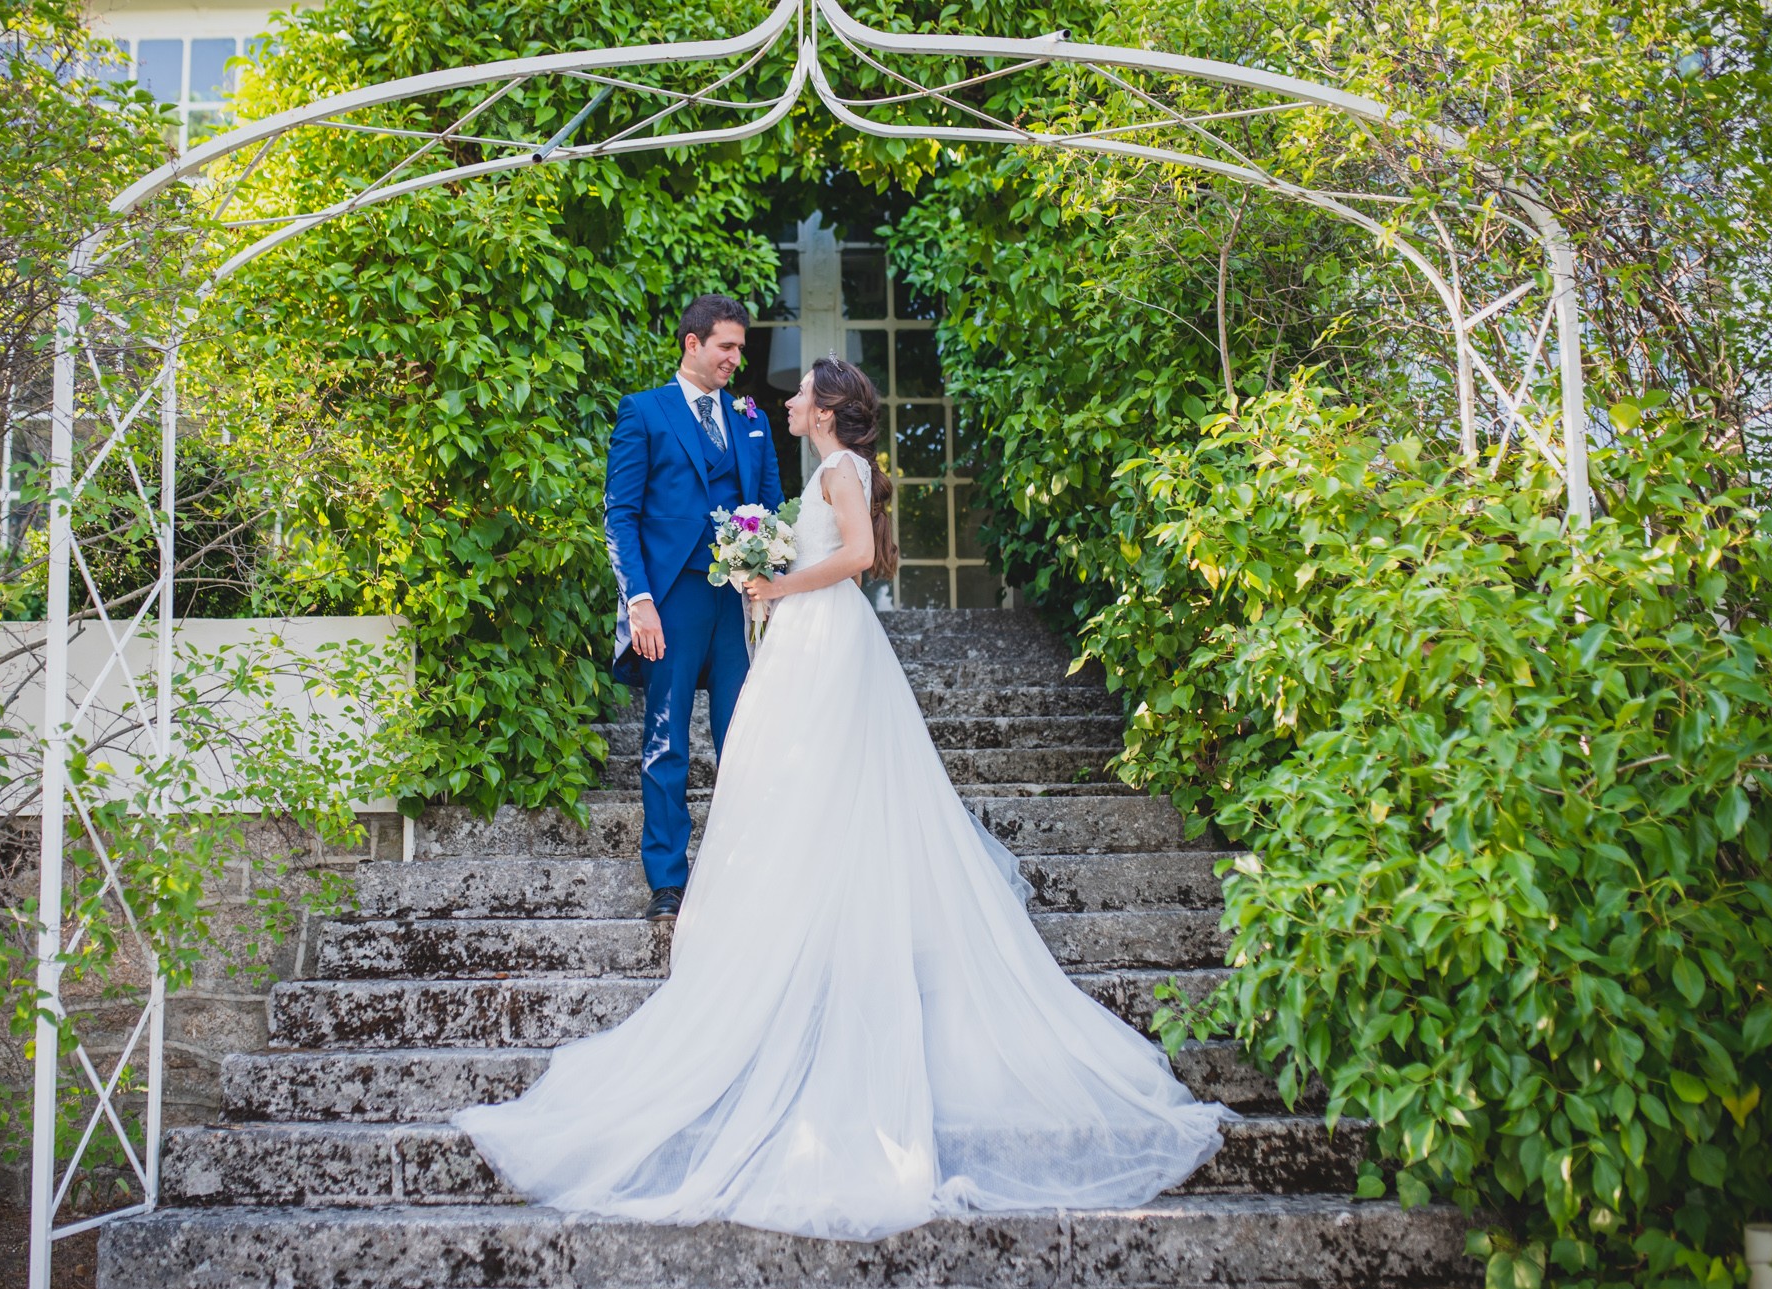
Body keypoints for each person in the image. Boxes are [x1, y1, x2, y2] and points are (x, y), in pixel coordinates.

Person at [452, 356, 1231, 1241]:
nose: (781, 398)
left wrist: (775, 584)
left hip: (826, 637)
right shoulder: (825, 467)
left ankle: (811, 950)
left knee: (815, 784)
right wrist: (769, 576)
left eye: (798, 392)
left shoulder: (838, 470)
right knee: (796, 789)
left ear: (824, 410)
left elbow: (857, 557)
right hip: (807, 640)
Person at [602, 295, 784, 922]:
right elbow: (620, 516)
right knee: (666, 741)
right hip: (671, 597)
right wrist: (640, 601)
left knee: (745, 738)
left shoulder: (750, 418)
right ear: (692, 343)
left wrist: (772, 583)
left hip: (737, 604)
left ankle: (745, 870)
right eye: (725, 347)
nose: (737, 358)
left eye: (740, 347)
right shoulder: (643, 411)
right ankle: (668, 882)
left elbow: (770, 507)